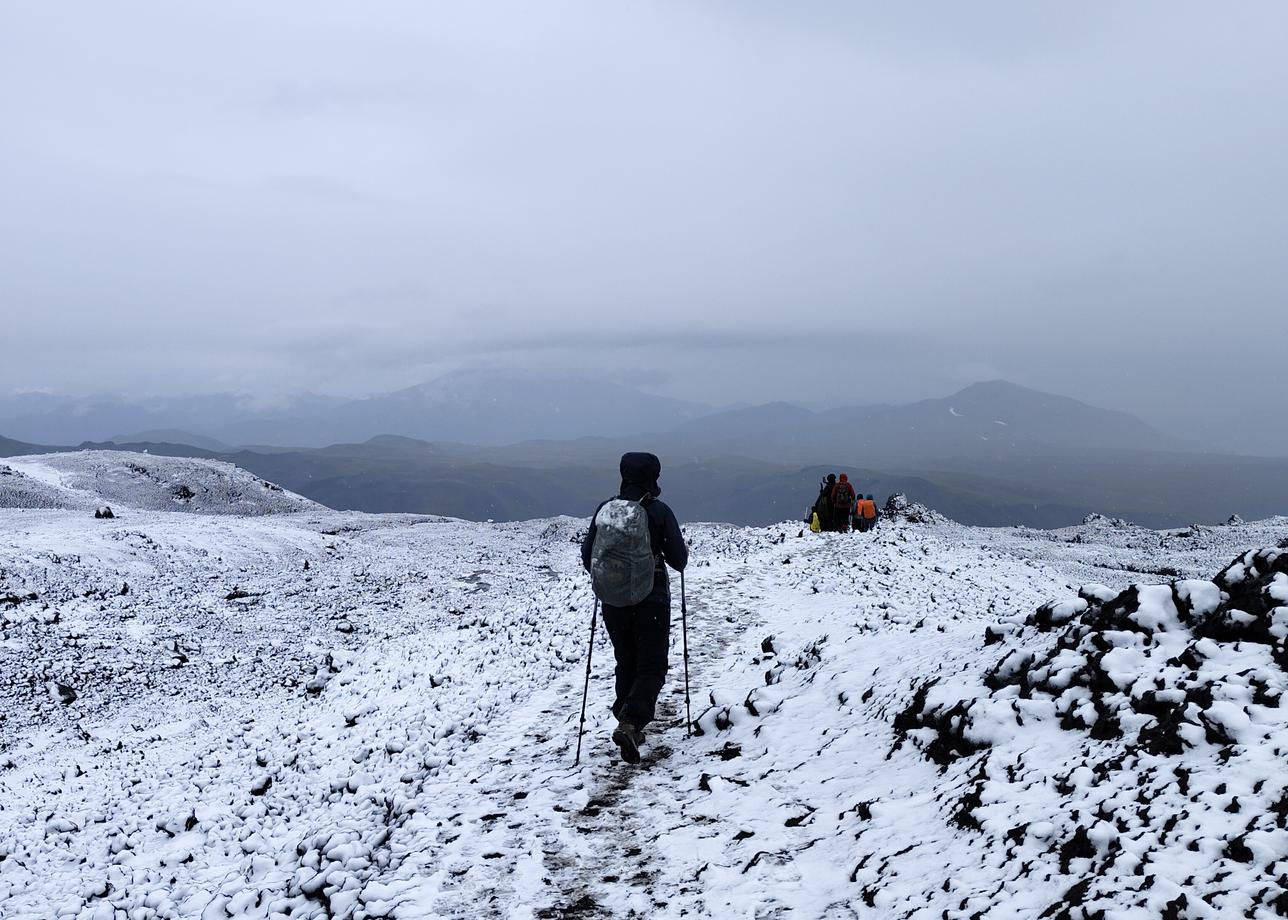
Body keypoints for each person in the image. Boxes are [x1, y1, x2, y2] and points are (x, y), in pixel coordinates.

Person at [581, 452, 688, 764]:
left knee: (626, 660)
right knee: (651, 664)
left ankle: (625, 717)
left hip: (613, 601)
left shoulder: (606, 510)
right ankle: (632, 722)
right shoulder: (658, 511)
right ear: (653, 477)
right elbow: (679, 560)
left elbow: (589, 556)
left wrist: (615, 577)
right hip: (651, 599)